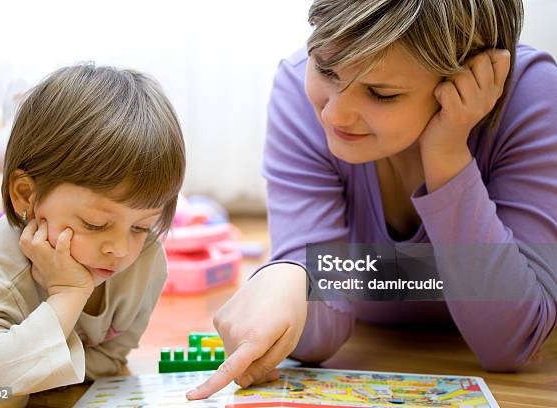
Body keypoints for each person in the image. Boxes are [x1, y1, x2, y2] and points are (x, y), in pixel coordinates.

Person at [187, 0, 557, 400]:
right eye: (326, 69)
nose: (335, 115)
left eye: (381, 94)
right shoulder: (297, 90)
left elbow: (512, 341)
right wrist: (287, 276)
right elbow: (316, 340)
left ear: (468, 79)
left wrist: (447, 154)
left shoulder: (533, 98)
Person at [0, 64, 185, 407]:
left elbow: (113, 358)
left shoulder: (144, 260)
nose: (119, 250)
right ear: (26, 195)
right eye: (95, 224)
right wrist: (68, 295)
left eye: (140, 226)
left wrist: (35, 371)